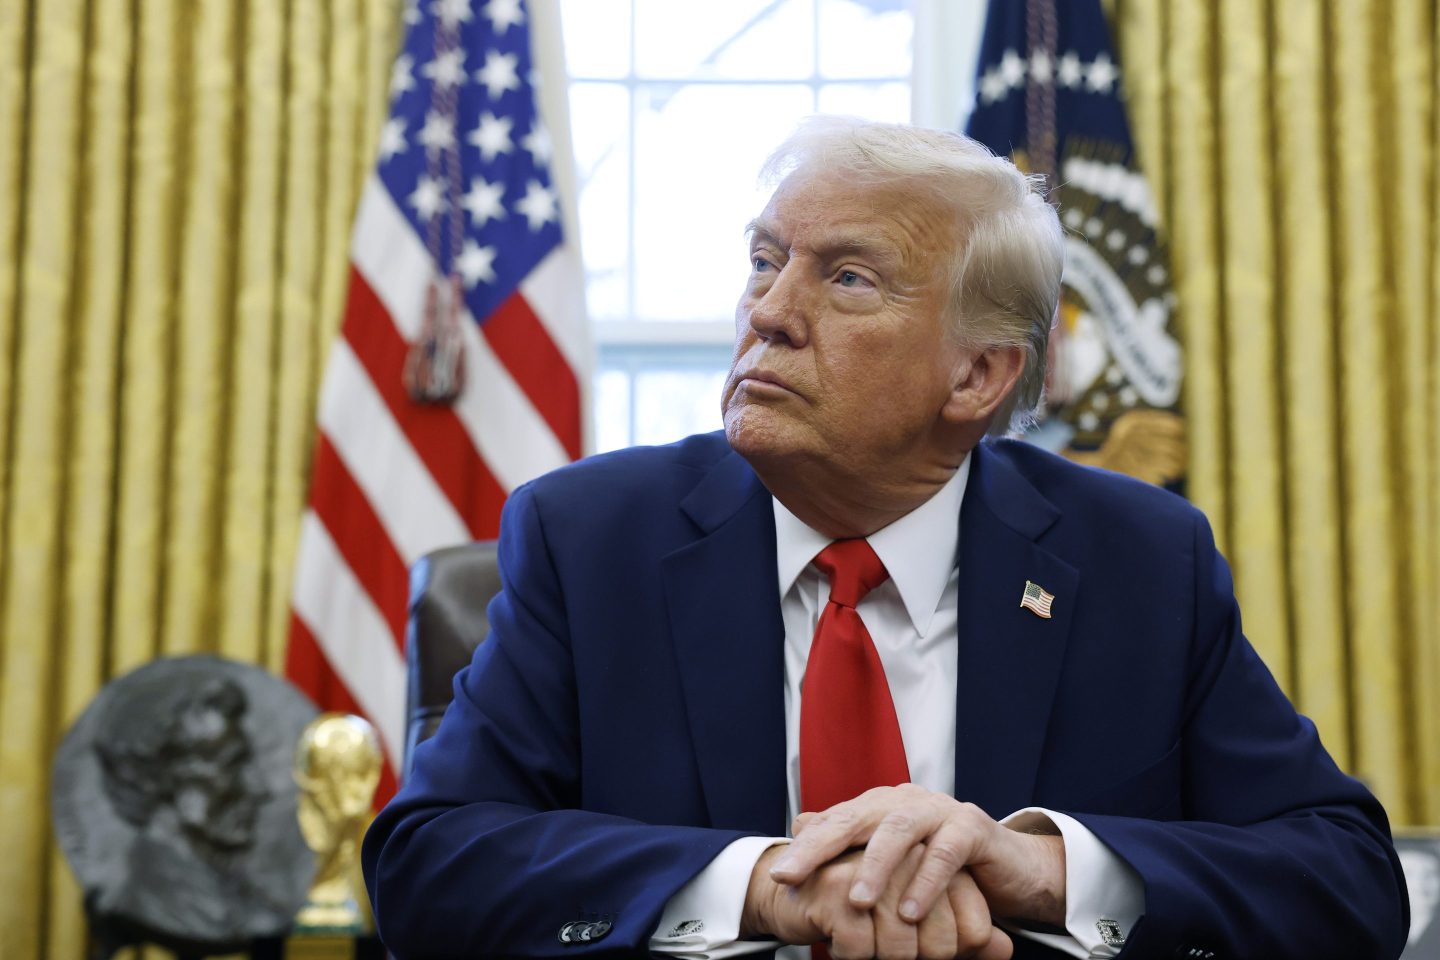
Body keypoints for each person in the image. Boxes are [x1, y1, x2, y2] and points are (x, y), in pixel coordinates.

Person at [362, 118, 1408, 960]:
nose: (769, 312)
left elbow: (1346, 879)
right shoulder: (591, 539)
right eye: (765, 262)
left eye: (846, 279)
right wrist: (763, 885)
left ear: (978, 377)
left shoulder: (1139, 560)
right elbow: (431, 862)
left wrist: (1038, 867)